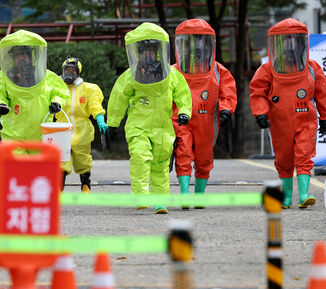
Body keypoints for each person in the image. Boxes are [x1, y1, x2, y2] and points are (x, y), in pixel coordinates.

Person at [107, 23, 192, 214]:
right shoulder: (132, 75)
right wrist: (113, 122)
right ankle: (140, 195)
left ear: (158, 53)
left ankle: (160, 202)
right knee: (140, 156)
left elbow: (183, 95)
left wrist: (185, 112)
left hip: (163, 129)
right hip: (138, 126)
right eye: (144, 52)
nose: (148, 56)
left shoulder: (171, 75)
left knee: (160, 167)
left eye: (151, 52)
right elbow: (118, 98)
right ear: (138, 53)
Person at [249, 18, 326, 209]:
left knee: (304, 156)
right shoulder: (268, 69)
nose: (289, 48)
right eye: (285, 43)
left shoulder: (312, 68)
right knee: (284, 159)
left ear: (303, 43)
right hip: (280, 122)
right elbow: (258, 92)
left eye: (295, 42)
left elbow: (322, 93)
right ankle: (286, 197)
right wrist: (260, 113)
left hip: (306, 120)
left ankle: (303, 194)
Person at [172, 19, 237, 207]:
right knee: (183, 154)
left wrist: (226, 110)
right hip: (180, 120)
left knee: (204, 158)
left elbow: (228, 91)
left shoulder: (217, 71)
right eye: (192, 43)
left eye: (201, 42)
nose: (197, 48)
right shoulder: (174, 71)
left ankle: (199, 196)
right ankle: (185, 194)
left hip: (207, 121)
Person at [0, 30, 69, 142]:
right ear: (12, 59)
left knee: (39, 160)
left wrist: (56, 103)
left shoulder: (45, 75)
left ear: (31, 57)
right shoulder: (5, 77)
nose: (22, 59)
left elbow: (60, 92)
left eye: (24, 55)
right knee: (16, 159)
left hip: (41, 133)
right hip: (14, 134)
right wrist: (0, 104)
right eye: (18, 56)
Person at [55, 57, 108, 193]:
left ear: (78, 73)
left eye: (73, 70)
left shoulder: (88, 89)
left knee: (83, 160)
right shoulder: (56, 88)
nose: (69, 73)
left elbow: (95, 106)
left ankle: (85, 185)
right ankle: (59, 188)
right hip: (61, 131)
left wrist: (100, 119)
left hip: (82, 132)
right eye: (67, 70)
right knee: (61, 160)